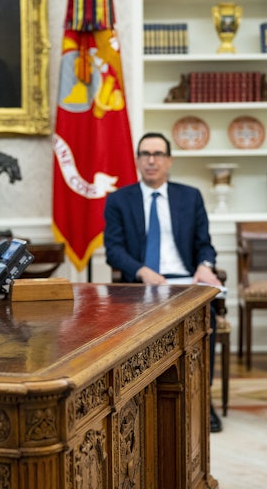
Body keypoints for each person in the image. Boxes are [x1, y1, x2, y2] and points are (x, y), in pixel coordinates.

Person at [103, 131, 224, 433]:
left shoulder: (189, 196)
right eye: (145, 154)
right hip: (142, 285)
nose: (151, 160)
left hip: (185, 283)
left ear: (169, 161)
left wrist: (205, 266)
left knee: (205, 319)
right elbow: (114, 251)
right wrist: (143, 271)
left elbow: (204, 244)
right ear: (137, 160)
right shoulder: (119, 200)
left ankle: (203, 399)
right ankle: (139, 399)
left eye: (158, 154)